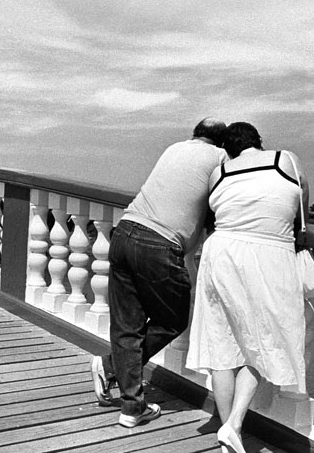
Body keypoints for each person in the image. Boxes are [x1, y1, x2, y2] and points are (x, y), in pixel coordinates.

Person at [184, 122, 308, 453]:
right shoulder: (286, 160)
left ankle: (228, 431)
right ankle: (234, 424)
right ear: (259, 142)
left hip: (220, 251)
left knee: (221, 344)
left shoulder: (219, 171)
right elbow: (302, 213)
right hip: (268, 252)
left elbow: (211, 217)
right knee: (265, 339)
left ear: (228, 149)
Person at [90, 118, 228, 428]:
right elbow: (220, 202)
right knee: (173, 319)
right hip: (160, 244)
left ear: (195, 134)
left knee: (127, 325)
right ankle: (113, 369)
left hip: (125, 232)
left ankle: (131, 405)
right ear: (221, 143)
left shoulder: (174, 148)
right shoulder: (219, 158)